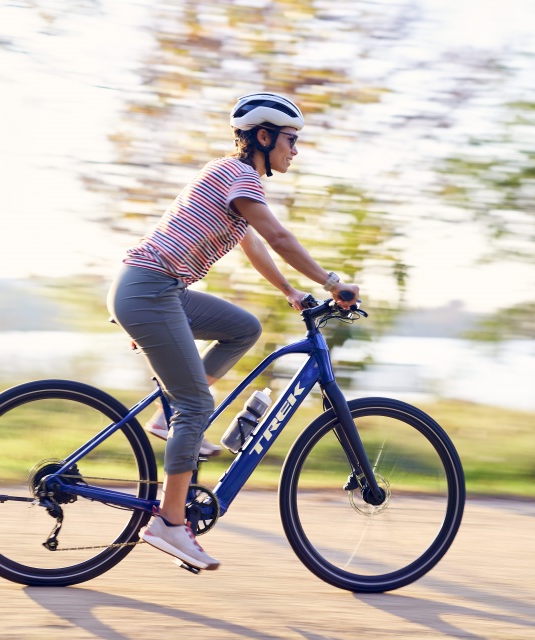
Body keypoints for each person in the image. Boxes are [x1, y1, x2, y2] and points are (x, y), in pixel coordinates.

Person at [106, 92, 360, 571]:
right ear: (263, 137)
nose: (295, 150)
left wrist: (290, 291)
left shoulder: (233, 181)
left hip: (160, 289)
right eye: (291, 140)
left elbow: (258, 247)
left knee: (243, 327)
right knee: (197, 406)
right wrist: (331, 282)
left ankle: (169, 422)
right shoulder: (238, 176)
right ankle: (170, 523)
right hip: (149, 290)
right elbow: (280, 237)